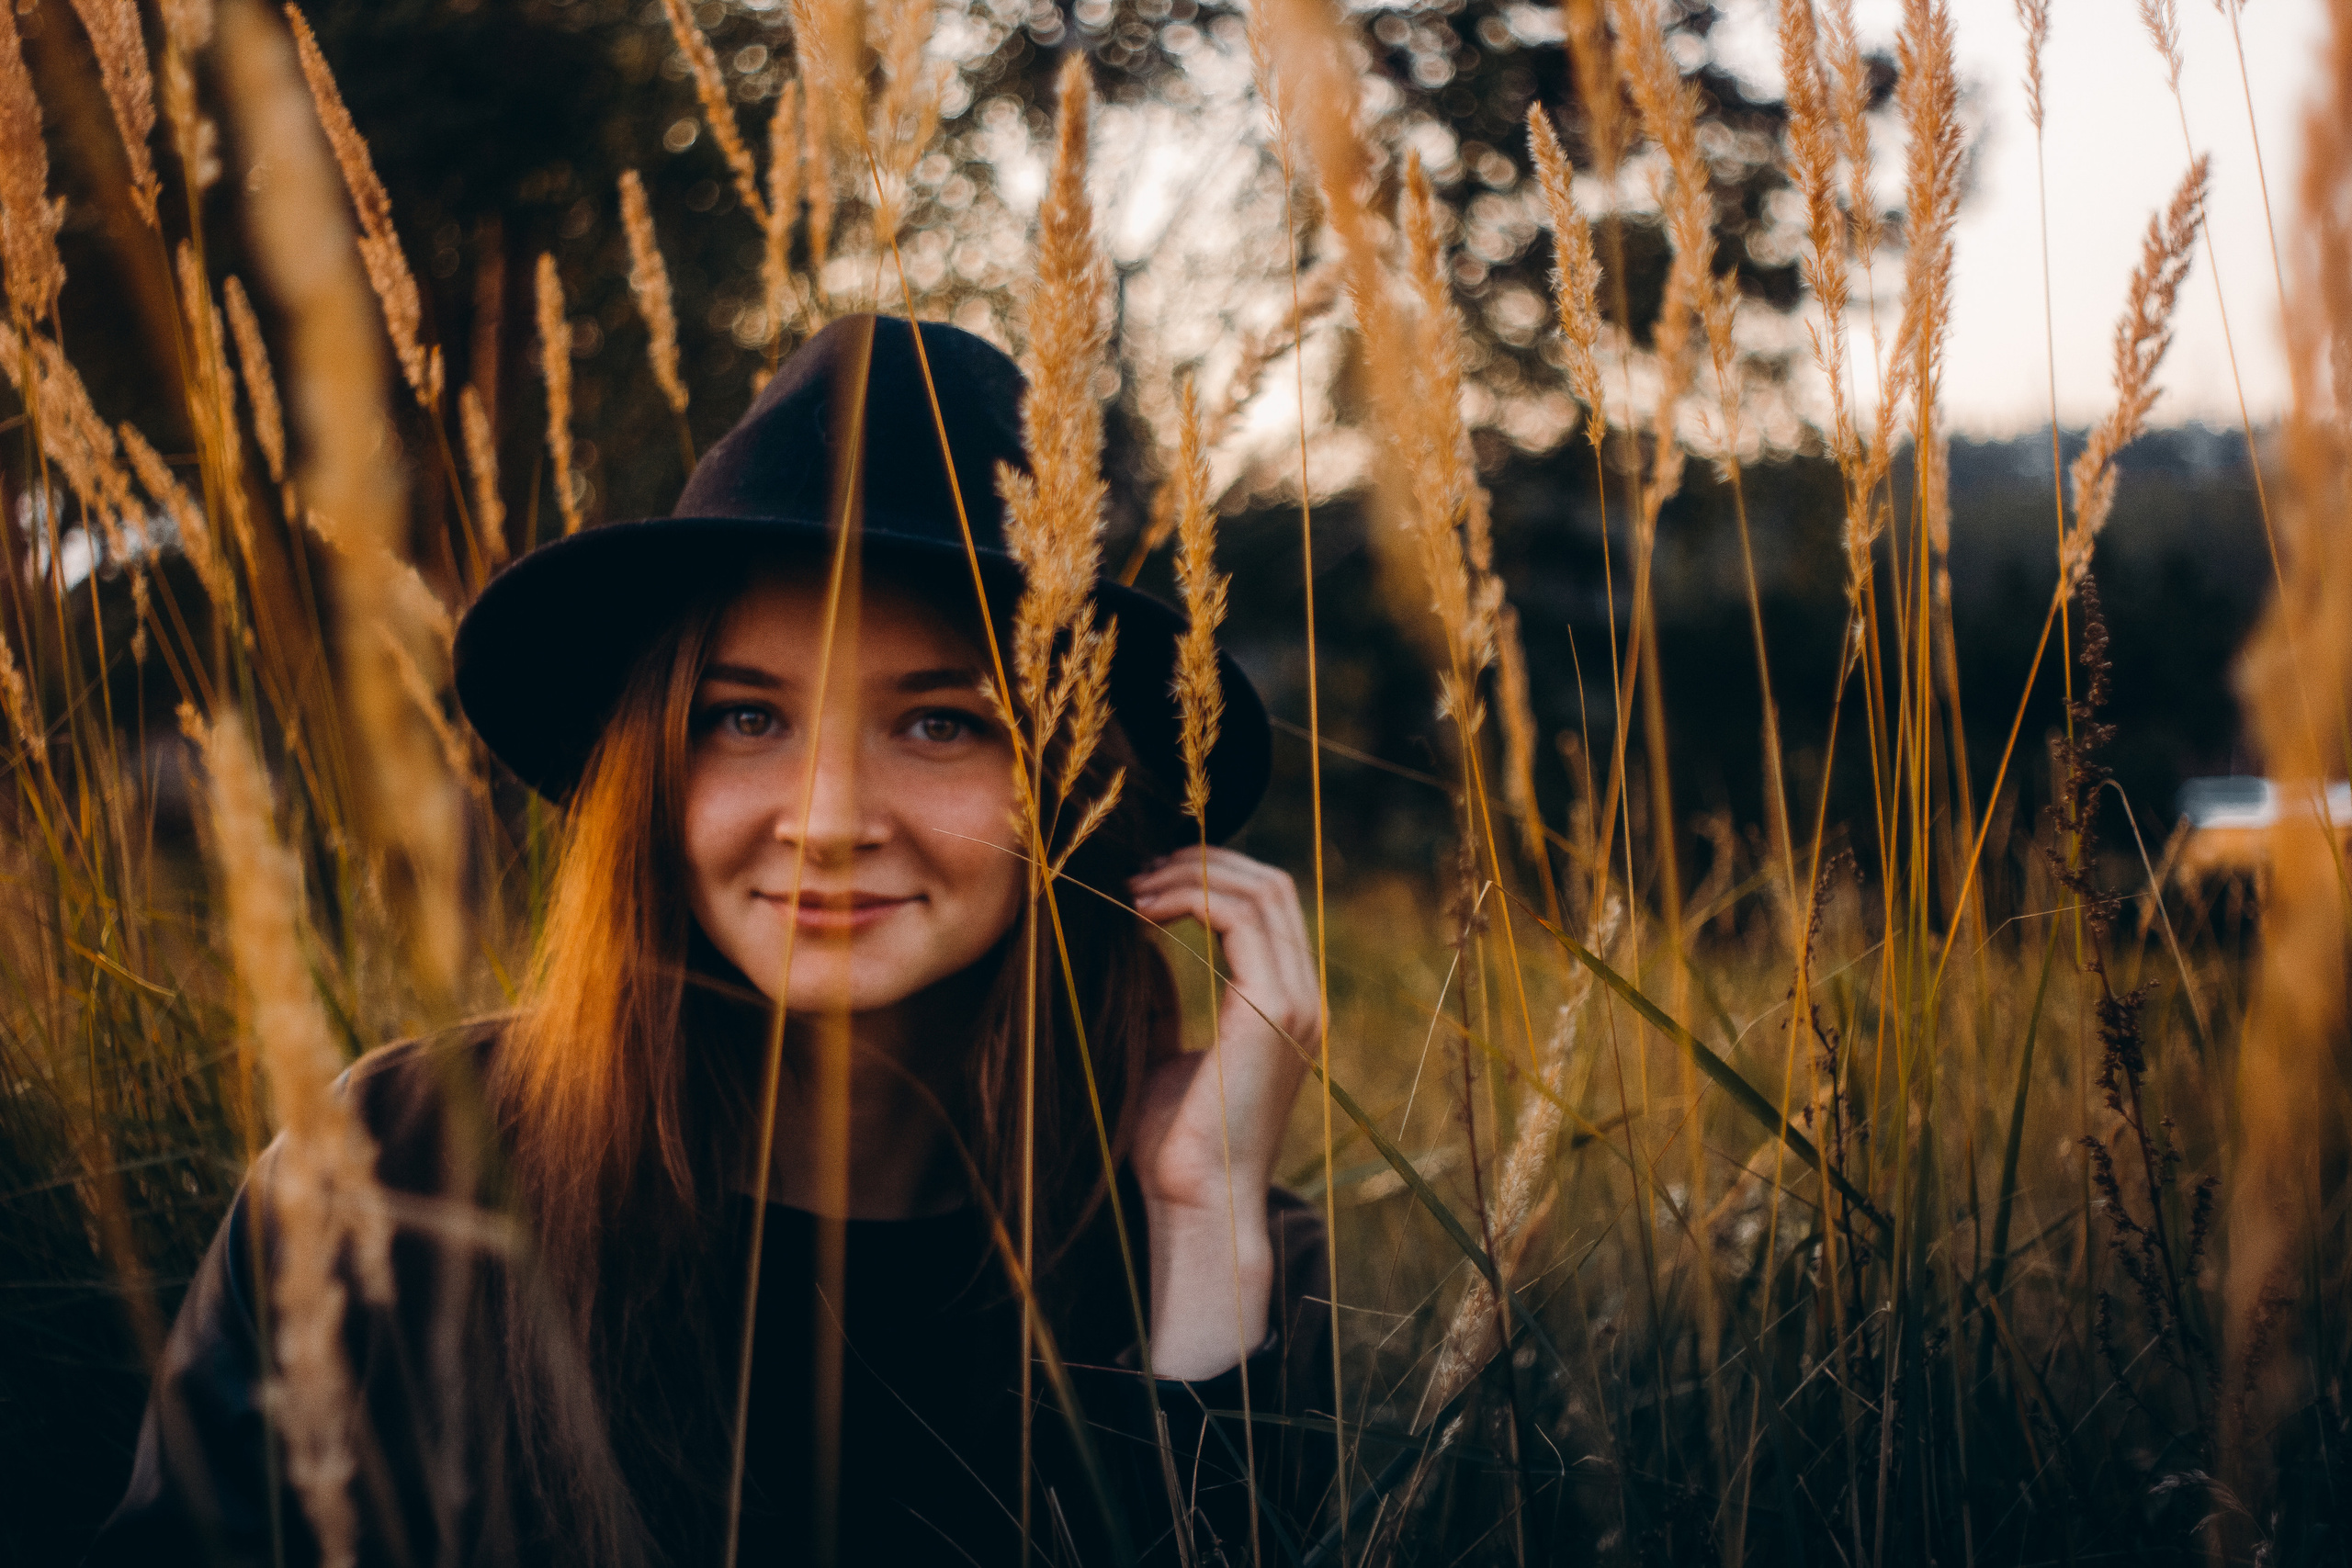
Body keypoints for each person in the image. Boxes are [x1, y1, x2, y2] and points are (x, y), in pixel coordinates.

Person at [89, 315, 1331, 1567]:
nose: (831, 820)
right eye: (746, 716)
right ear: (652, 771)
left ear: (1074, 793)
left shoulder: (1211, 1244)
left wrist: (1205, 1228)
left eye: (945, 725)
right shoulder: (396, 1165)